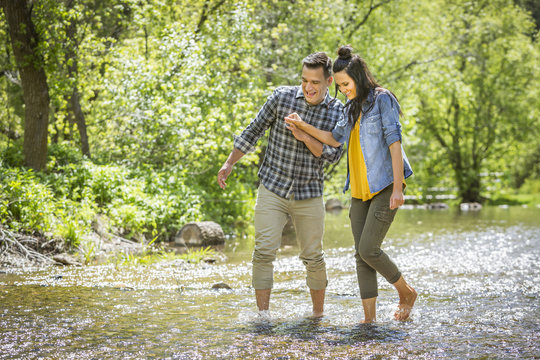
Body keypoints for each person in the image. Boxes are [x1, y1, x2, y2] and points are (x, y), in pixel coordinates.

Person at [285, 45, 417, 322]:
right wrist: (302, 126)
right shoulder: (350, 107)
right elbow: (334, 138)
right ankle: (369, 319)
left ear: (358, 77)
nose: (343, 89)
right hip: (359, 190)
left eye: (346, 83)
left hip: (384, 185)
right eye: (340, 85)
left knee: (369, 248)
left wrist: (397, 187)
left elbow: (394, 142)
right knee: (360, 255)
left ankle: (406, 292)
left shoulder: (382, 99)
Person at [217, 52, 344, 317]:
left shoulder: (337, 112)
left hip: (309, 192)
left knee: (313, 257)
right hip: (273, 187)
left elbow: (333, 155)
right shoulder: (281, 97)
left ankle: (317, 317)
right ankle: (263, 316)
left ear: (329, 81)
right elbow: (253, 130)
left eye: (315, 82)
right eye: (304, 80)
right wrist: (230, 163)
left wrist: (303, 132)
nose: (308, 87)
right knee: (263, 251)